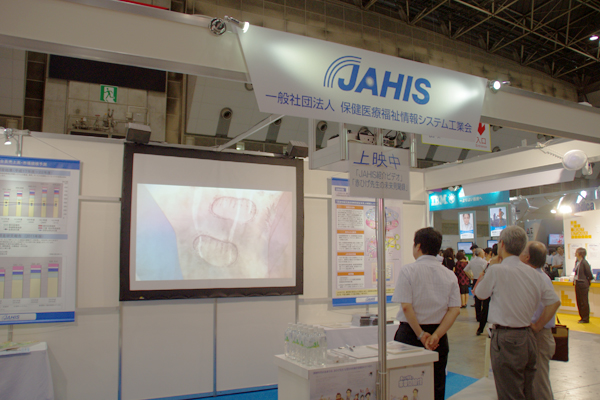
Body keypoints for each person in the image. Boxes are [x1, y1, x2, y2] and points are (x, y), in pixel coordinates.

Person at [474, 226, 560, 400]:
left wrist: (491, 267)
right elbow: (554, 302)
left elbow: (480, 293)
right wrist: (537, 326)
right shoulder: (534, 274)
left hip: (505, 338)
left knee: (509, 391)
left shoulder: (497, 270)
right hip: (528, 336)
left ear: (502, 244)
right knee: (528, 389)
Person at [392, 227, 461, 400]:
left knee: (405, 385)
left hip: (410, 334)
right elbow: (455, 309)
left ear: (418, 246)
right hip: (438, 338)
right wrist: (436, 336)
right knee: (436, 384)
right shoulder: (449, 275)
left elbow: (406, 307)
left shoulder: (408, 270)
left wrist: (421, 335)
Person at [520, 241, 560, 400]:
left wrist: (537, 326)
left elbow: (554, 303)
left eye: (522, 252)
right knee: (532, 382)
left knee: (539, 383)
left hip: (540, 336)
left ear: (527, 257)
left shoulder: (539, 278)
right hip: (534, 335)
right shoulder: (534, 276)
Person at [465, 248, 487, 317]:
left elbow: (465, 270)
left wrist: (470, 277)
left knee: (477, 299)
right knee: (484, 298)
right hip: (482, 280)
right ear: (480, 253)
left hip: (475, 280)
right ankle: (483, 315)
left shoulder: (472, 261)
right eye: (483, 252)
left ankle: (478, 315)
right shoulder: (484, 262)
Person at [574, 247, 594, 323]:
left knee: (583, 301)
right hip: (577, 283)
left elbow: (589, 274)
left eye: (576, 252)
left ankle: (585, 318)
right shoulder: (577, 262)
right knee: (579, 301)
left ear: (580, 254)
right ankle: (582, 317)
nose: (575, 253)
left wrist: (587, 282)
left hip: (583, 284)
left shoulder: (584, 263)